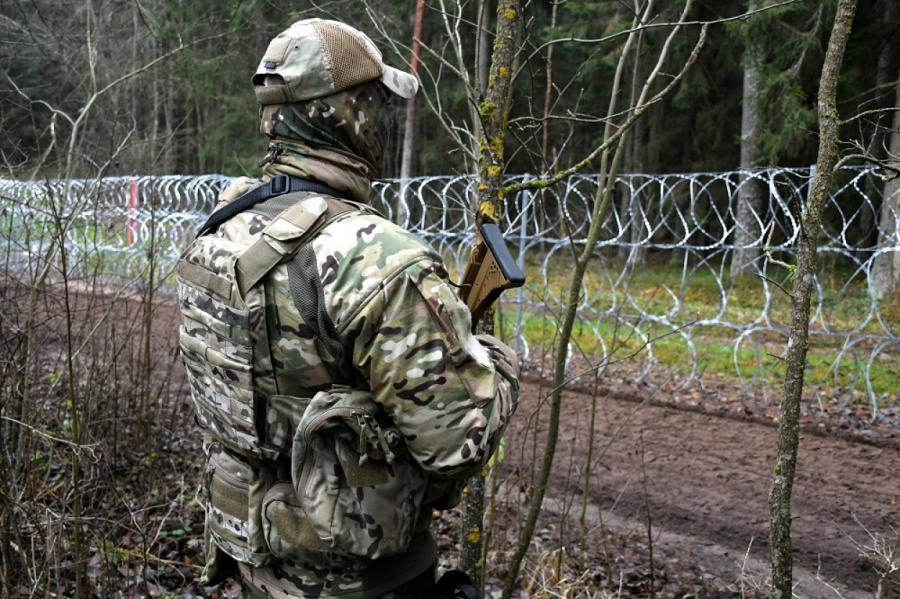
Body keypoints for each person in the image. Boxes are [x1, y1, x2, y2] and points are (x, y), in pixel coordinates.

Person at [176, 18, 520, 599]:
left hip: (252, 558)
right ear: (347, 114)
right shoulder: (375, 255)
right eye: (377, 104)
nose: (383, 122)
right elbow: (460, 440)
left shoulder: (224, 229)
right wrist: (492, 358)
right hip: (361, 579)